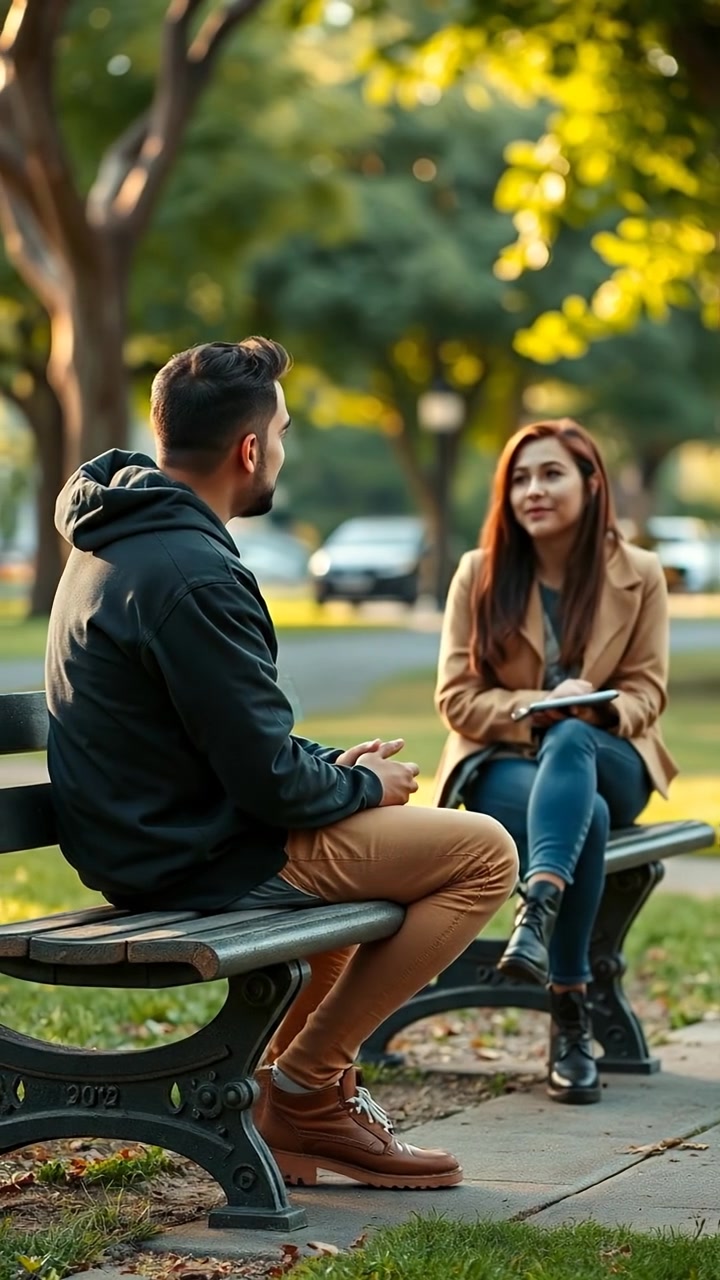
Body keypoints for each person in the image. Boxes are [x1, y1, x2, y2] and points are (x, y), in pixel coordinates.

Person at [45, 337, 518, 1190]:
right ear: (251, 449)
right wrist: (362, 783)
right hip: (196, 856)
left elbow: (221, 739)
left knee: (373, 844)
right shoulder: (191, 570)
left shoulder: (121, 536)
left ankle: (298, 1099)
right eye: (285, 433)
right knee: (484, 853)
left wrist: (333, 769)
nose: (283, 452)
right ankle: (306, 1089)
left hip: (157, 838)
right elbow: (266, 781)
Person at [433, 418, 677, 1106]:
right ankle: (571, 1012)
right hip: (503, 764)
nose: (532, 490)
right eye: (519, 477)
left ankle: (535, 908)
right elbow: (457, 699)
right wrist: (541, 703)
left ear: (591, 482)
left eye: (551, 474)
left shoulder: (642, 574)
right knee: (584, 817)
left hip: (608, 754)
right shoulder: (478, 574)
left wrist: (587, 708)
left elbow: (648, 692)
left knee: (576, 753)